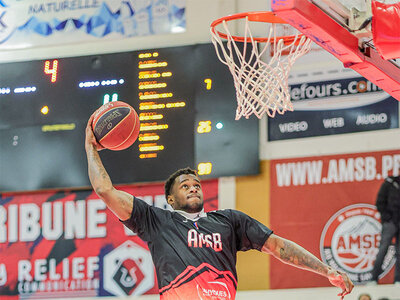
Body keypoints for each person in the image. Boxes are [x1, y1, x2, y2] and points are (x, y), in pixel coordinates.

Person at [84, 113, 354, 299]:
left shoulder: (228, 221)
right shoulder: (157, 221)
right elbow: (105, 190)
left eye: (196, 184)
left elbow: (278, 247)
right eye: (185, 185)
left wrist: (327, 270)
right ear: (171, 199)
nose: (193, 187)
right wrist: (91, 149)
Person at [370, 176, 400, 284]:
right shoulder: (389, 183)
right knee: (383, 249)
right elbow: (380, 202)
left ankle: (398, 280)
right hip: (390, 223)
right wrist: (388, 218)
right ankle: (373, 279)